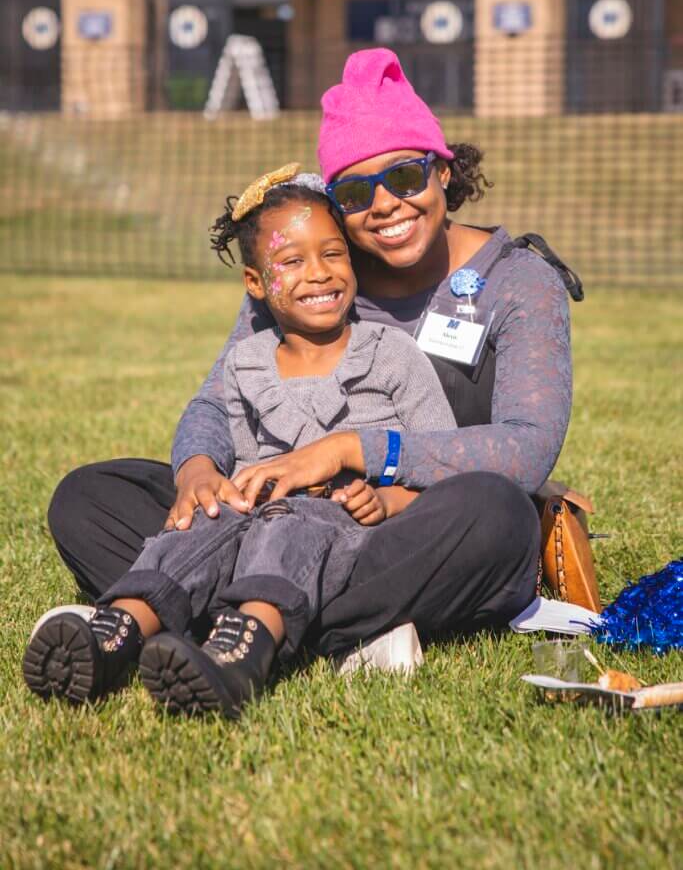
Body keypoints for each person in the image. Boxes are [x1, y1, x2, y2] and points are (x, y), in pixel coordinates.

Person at [47, 47, 579, 662]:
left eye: (405, 176)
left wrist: (346, 452)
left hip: (399, 521)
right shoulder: (319, 273)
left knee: (497, 516)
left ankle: (218, 614)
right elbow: (218, 400)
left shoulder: (518, 281)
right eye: (355, 192)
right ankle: (303, 627)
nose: (385, 204)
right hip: (266, 518)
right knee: (88, 496)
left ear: (442, 171)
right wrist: (196, 470)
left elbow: (526, 447)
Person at [24, 167, 457, 717]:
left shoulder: (392, 355)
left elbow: (444, 463)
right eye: (293, 261)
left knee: (294, 525)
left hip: (340, 528)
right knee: (192, 529)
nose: (319, 275)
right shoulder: (247, 361)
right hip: (247, 516)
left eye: (333, 254)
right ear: (255, 284)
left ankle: (242, 651)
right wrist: (202, 483)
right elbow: (225, 442)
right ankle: (115, 634)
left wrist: (391, 500)